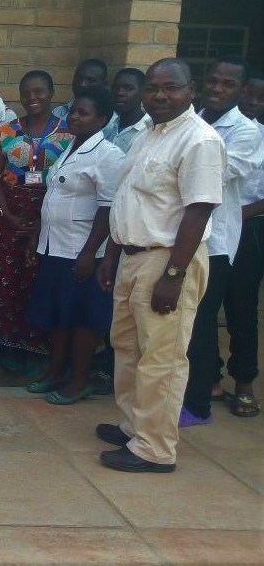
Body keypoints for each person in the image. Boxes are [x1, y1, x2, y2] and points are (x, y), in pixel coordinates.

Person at [95, 58, 224, 473]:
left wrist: (173, 275)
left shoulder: (199, 140)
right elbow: (130, 200)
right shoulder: (149, 135)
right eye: (153, 88)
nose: (160, 95)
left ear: (191, 90)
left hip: (167, 260)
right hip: (133, 257)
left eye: (171, 88)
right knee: (128, 347)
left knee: (162, 357)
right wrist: (112, 255)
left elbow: (198, 211)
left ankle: (155, 448)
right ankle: (135, 426)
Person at [25, 87, 125, 404]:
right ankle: (55, 372)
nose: (75, 117)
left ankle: (79, 380)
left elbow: (108, 208)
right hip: (54, 248)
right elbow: (53, 197)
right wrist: (37, 237)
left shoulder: (108, 156)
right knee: (58, 316)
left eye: (84, 113)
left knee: (82, 319)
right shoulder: (70, 147)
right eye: (73, 111)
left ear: (103, 119)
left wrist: (88, 252)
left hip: (82, 253)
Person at [182, 56, 262, 427]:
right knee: (180, 321)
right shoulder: (189, 118)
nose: (217, 89)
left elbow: (216, 173)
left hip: (214, 243)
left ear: (240, 90)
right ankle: (188, 392)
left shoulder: (246, 132)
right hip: (178, 235)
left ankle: (198, 403)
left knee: (203, 321)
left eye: (227, 84)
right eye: (213, 81)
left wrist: (178, 160)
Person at [0, 70, 75, 358]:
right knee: (7, 281)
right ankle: (10, 346)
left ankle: (41, 349)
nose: (32, 98)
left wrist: (43, 219)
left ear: (51, 92)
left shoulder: (69, 132)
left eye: (39, 91)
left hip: (51, 217)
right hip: (9, 216)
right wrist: (6, 213)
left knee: (41, 282)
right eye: (26, 93)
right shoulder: (6, 132)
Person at [222, 69, 264, 417]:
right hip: (212, 226)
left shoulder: (258, 136)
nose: (252, 101)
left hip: (249, 229)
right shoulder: (215, 127)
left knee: (241, 308)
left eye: (260, 98)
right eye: (248, 93)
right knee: (203, 308)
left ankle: (244, 383)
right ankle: (208, 377)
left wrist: (238, 213)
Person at [53, 58, 118, 140]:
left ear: (104, 84)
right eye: (79, 79)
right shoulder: (58, 112)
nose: (82, 84)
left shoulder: (111, 123)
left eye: (91, 80)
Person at [109, 68, 148, 153]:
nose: (119, 93)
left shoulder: (148, 130)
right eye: (115, 88)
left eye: (128, 88)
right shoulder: (108, 126)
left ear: (143, 92)